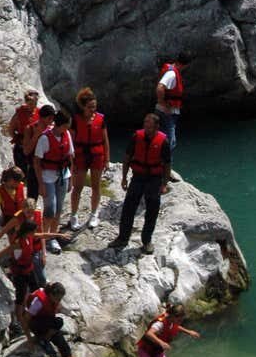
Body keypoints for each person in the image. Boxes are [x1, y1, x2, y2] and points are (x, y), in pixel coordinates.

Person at [0, 221, 68, 340]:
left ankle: (37, 314)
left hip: (29, 270)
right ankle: (19, 322)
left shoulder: (29, 236)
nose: (35, 233)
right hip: (20, 275)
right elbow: (4, 251)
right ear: (28, 231)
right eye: (34, 230)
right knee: (20, 299)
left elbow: (43, 235)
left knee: (38, 292)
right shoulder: (18, 242)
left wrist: (59, 235)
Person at [107, 113, 171, 255]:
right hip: (138, 176)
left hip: (154, 179)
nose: (146, 127)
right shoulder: (136, 137)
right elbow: (127, 157)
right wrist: (124, 178)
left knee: (152, 211)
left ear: (156, 127)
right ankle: (123, 238)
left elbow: (167, 165)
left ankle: (146, 241)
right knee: (128, 208)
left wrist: (164, 183)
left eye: (149, 125)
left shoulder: (163, 142)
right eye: (145, 124)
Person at [23, 282, 92, 357]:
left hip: (47, 324)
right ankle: (44, 339)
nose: (59, 301)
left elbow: (57, 309)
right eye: (58, 299)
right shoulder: (39, 301)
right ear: (51, 295)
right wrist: (29, 339)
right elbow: (26, 319)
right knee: (58, 321)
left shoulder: (53, 298)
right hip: (36, 324)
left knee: (63, 345)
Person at [0, 198, 48, 287]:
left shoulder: (38, 214)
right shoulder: (17, 219)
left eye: (32, 212)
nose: (30, 215)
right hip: (20, 245)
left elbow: (42, 233)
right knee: (19, 265)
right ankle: (13, 275)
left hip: (34, 246)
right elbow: (3, 231)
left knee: (40, 274)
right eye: (28, 212)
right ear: (23, 209)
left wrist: (44, 253)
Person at [68, 87, 110, 230]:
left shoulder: (101, 119)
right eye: (90, 107)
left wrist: (107, 159)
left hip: (97, 154)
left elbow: (105, 140)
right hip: (80, 154)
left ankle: (93, 214)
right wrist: (70, 161)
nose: (93, 109)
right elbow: (71, 141)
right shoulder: (76, 119)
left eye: (94, 106)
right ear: (83, 106)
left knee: (96, 186)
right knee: (77, 187)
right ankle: (73, 215)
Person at [33, 111, 73, 254]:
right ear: (60, 125)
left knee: (59, 208)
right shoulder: (45, 138)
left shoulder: (66, 135)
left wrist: (71, 179)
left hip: (63, 175)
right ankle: (43, 238)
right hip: (48, 177)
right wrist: (41, 184)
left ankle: (53, 237)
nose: (67, 129)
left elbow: (70, 157)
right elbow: (37, 161)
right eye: (66, 126)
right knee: (50, 209)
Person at [156, 52, 190, 154]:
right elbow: (160, 87)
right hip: (167, 113)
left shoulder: (172, 71)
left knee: (163, 140)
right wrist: (162, 103)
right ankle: (163, 166)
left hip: (166, 112)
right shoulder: (172, 73)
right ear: (184, 65)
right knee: (169, 142)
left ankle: (159, 164)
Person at [22, 104, 56, 200]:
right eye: (49, 118)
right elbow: (26, 151)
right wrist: (36, 134)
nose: (51, 121)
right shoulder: (30, 128)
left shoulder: (52, 129)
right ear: (42, 117)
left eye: (52, 119)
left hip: (49, 167)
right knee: (32, 197)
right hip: (34, 167)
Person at [8, 89, 40, 174]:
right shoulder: (19, 113)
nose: (33, 106)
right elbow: (11, 129)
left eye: (35, 103)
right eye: (30, 104)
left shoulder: (39, 113)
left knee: (33, 172)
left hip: (34, 147)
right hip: (21, 146)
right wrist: (17, 138)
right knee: (21, 172)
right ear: (26, 102)